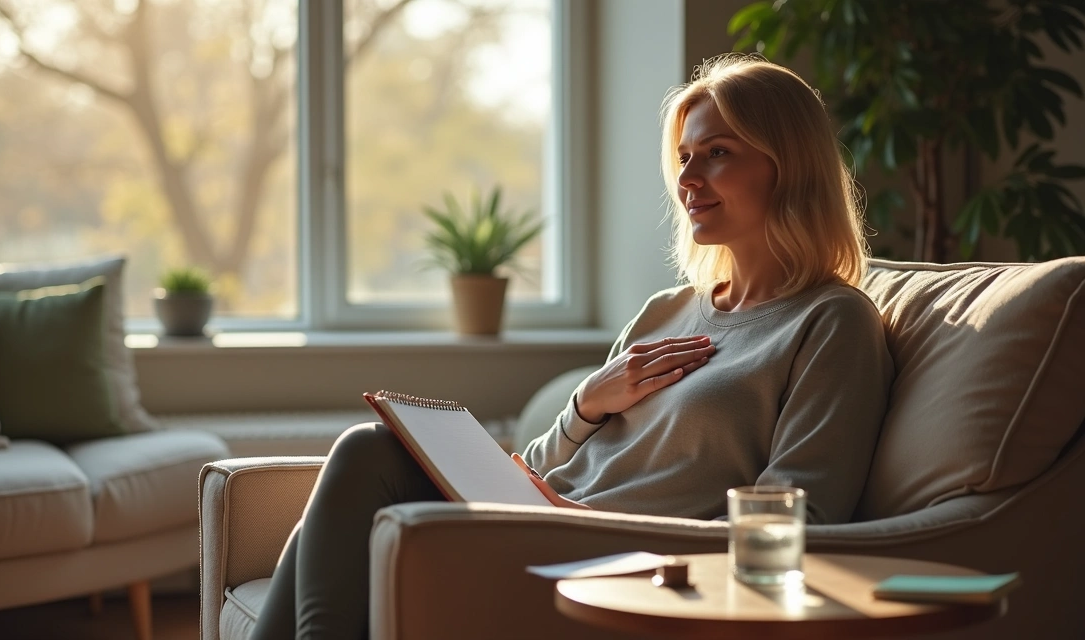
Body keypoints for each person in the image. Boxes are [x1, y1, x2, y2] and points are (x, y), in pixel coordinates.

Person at [250, 52, 894, 640]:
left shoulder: (832, 323)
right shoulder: (665, 310)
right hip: (545, 522)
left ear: (788, 165)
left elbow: (790, 525)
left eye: (717, 153)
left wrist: (586, 525)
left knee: (364, 456)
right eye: (686, 158)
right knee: (345, 497)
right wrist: (585, 405)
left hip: (610, 558)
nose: (688, 178)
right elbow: (539, 466)